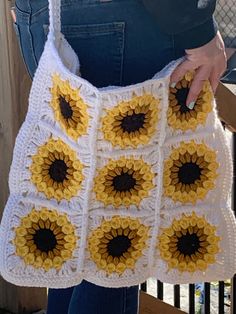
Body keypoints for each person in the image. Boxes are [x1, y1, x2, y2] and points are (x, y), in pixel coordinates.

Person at [12, 0, 226, 313]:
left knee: (80, 229)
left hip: (44, 14)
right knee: (117, 239)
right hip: (118, 17)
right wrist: (198, 29)